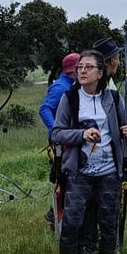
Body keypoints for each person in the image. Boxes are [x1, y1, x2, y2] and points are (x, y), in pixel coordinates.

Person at [50, 50, 127, 254]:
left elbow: (126, 127)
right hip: (80, 174)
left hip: (109, 173)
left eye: (88, 67)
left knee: (109, 225)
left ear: (100, 73)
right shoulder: (70, 98)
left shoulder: (112, 97)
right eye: (80, 67)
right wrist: (81, 135)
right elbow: (56, 133)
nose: (82, 71)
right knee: (71, 227)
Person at [40, 52, 81, 228]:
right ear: (74, 70)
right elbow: (44, 109)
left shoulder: (71, 84)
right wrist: (56, 130)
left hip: (68, 139)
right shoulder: (61, 87)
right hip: (61, 142)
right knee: (64, 179)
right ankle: (55, 216)